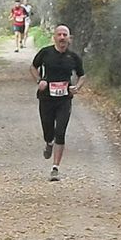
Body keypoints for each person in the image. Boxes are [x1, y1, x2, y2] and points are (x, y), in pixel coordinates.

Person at [29, 25, 85, 181]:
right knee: (49, 131)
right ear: (54, 37)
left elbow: (82, 76)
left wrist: (77, 87)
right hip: (46, 98)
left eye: (65, 35)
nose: (62, 37)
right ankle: (48, 142)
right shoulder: (45, 53)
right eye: (59, 34)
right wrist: (39, 81)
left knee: (60, 131)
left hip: (64, 99)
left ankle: (55, 168)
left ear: (69, 38)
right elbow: (33, 67)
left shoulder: (73, 57)